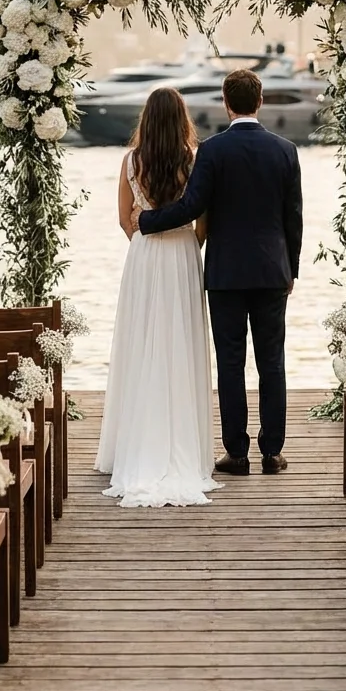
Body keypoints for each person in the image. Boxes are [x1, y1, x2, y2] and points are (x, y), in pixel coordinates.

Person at [136, 69, 303, 476]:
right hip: (271, 272)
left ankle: (237, 453)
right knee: (272, 362)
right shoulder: (285, 150)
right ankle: (272, 452)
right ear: (259, 102)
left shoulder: (212, 151)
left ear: (226, 103)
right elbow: (293, 218)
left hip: (226, 273)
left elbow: (192, 206)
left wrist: (147, 222)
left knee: (230, 363)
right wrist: (290, 269)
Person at [94, 87, 220, 507]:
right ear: (182, 119)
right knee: (179, 344)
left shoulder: (131, 161)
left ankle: (134, 441)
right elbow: (204, 221)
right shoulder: (194, 159)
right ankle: (184, 445)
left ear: (146, 119)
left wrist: (146, 240)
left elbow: (122, 219)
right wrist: (187, 245)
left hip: (144, 256)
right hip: (183, 254)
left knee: (142, 341)